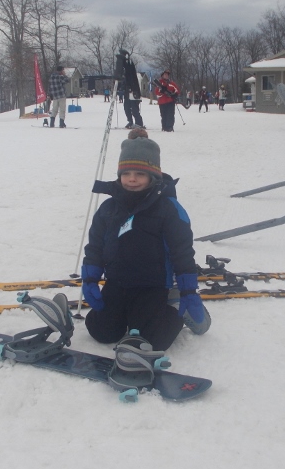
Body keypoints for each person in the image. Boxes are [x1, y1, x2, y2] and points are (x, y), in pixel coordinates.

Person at [80, 136, 209, 351]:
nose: (132, 179)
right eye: (126, 174)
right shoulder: (108, 209)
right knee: (101, 331)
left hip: (153, 287)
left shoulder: (169, 209)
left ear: (153, 175)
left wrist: (188, 290)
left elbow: (182, 252)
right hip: (116, 284)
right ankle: (125, 314)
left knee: (151, 341)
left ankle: (176, 305)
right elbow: (95, 247)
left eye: (140, 174)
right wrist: (91, 278)